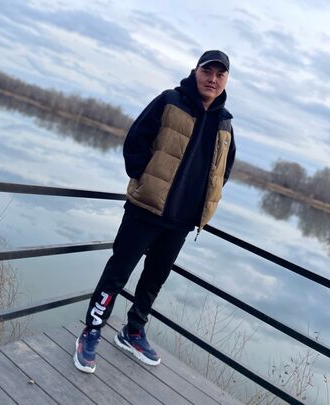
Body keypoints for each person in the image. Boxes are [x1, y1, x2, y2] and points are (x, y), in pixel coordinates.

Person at [74, 50, 236, 373]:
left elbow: (224, 170)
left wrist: (203, 204)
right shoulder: (169, 101)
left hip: (181, 222)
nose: (213, 79)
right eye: (208, 71)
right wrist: (143, 178)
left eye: (220, 74)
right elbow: (136, 139)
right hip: (145, 209)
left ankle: (133, 330)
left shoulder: (225, 123)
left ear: (226, 80)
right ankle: (92, 330)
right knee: (118, 273)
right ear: (196, 71)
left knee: (154, 280)